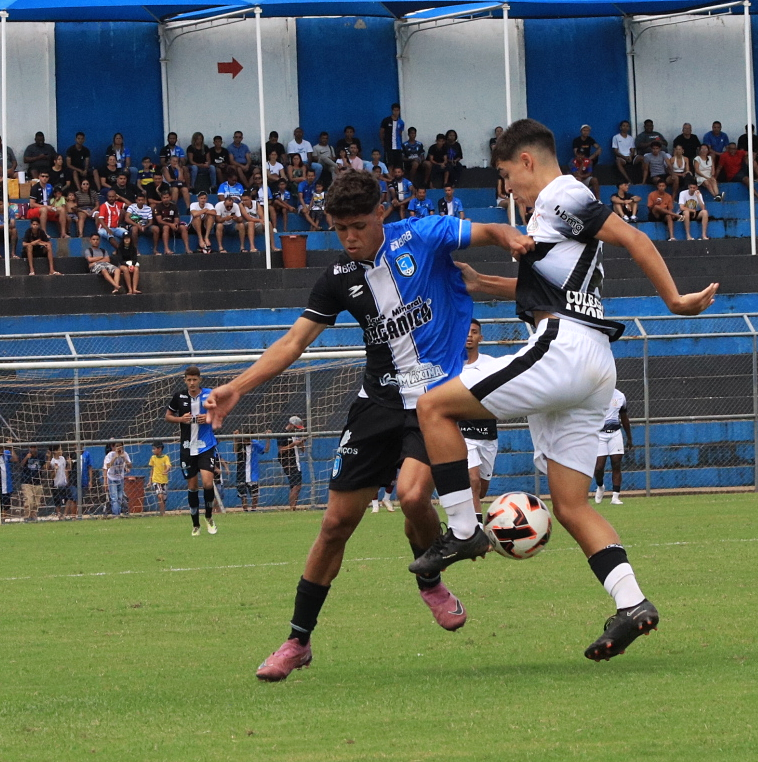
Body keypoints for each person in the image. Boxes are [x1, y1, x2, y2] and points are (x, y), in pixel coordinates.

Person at [411, 118, 717, 663]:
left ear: (527, 161)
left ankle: (461, 529)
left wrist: (673, 299)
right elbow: (559, 285)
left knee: (433, 405)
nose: (509, 191)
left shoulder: (561, 194)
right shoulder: (554, 214)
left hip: (565, 350)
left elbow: (633, 235)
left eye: (507, 176)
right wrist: (487, 286)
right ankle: (633, 604)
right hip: (592, 363)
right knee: (572, 505)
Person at [204, 169, 527, 682]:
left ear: (381, 213)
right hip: (376, 404)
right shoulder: (338, 278)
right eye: (339, 228)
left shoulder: (422, 235)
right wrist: (237, 387)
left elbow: (485, 231)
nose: (350, 237)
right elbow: (293, 342)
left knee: (414, 494)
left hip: (436, 402)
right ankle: (297, 641)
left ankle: (430, 581)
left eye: (357, 225)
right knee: (335, 525)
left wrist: (509, 234)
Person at [164, 365, 220, 536]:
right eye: (189, 380)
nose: (192, 383)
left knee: (208, 482)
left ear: (200, 380)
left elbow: (220, 413)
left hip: (206, 446)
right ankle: (195, 524)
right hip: (188, 448)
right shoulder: (179, 396)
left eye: (195, 379)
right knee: (192, 485)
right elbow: (168, 416)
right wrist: (180, 419)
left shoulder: (209, 394)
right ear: (185, 380)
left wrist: (209, 417)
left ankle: (209, 517)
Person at [459, 320, 506, 515]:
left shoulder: (491, 364)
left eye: (474, 332)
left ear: (481, 338)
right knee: (473, 480)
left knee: (481, 490)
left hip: (487, 434)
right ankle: (475, 534)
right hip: (462, 433)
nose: (469, 335)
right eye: (465, 331)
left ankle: (468, 516)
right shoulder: (451, 365)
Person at [276, 417, 306, 510]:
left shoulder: (296, 434)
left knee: (296, 485)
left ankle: (293, 507)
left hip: (296, 461)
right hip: (288, 461)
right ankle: (292, 507)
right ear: (292, 425)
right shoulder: (283, 434)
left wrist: (301, 443)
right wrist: (293, 444)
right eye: (296, 427)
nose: (297, 429)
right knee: (296, 485)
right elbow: (281, 450)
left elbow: (303, 450)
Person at [235, 437, 266, 511]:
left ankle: (253, 509)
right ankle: (245, 510)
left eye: (249, 439)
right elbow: (235, 450)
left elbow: (265, 450)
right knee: (243, 495)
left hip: (253, 473)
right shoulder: (240, 445)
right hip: (242, 473)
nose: (247, 441)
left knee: (255, 494)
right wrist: (235, 438)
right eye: (246, 439)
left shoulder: (255, 444)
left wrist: (268, 439)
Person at [103, 443, 131, 516]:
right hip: (112, 478)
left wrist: (124, 458)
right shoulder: (110, 455)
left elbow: (130, 466)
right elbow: (107, 466)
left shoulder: (125, 454)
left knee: (120, 498)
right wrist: (115, 457)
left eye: (120, 446)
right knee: (114, 498)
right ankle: (116, 515)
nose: (119, 448)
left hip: (120, 478)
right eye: (117, 446)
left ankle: (118, 513)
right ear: (113, 447)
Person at [48, 445, 75, 520]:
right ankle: (59, 515)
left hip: (64, 482)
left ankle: (65, 514)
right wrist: (55, 470)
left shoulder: (62, 459)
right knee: (57, 501)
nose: (62, 451)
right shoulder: (52, 461)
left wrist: (69, 463)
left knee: (69, 498)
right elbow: (51, 476)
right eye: (60, 449)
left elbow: (67, 469)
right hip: (56, 484)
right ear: (56, 451)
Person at [147, 442, 171, 515]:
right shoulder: (153, 458)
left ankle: (162, 511)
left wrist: (166, 470)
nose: (153, 450)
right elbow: (152, 469)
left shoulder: (165, 457)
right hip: (156, 480)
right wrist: (150, 481)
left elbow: (168, 466)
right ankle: (162, 514)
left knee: (163, 498)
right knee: (160, 496)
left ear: (159, 449)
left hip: (164, 480)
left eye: (154, 449)